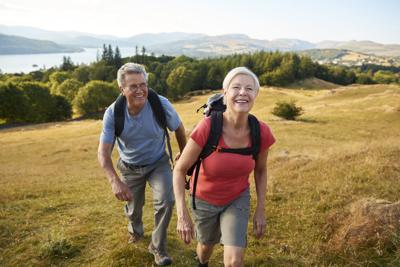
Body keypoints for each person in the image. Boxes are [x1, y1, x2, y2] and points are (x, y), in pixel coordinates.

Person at [173, 67, 275, 267]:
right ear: (225, 92)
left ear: (256, 94)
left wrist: (261, 209)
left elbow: (261, 170)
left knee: (235, 261)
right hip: (203, 198)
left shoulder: (260, 131)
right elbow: (179, 169)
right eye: (236, 87)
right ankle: (202, 263)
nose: (243, 92)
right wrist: (182, 214)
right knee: (205, 248)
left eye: (249, 88)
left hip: (237, 198)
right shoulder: (208, 127)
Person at [98, 62, 186, 266]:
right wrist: (114, 181)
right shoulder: (113, 113)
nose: (140, 90)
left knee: (166, 200)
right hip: (129, 167)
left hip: (158, 163)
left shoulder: (160, 103)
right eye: (133, 86)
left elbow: (179, 129)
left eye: (143, 84)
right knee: (134, 209)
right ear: (122, 89)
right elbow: (103, 153)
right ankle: (136, 231)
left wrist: (183, 155)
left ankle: (158, 246)